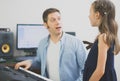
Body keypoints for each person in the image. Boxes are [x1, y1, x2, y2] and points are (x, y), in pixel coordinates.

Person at [15, 8, 87, 81]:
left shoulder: (76, 42)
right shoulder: (42, 43)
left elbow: (87, 70)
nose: (58, 22)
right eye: (53, 20)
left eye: (59, 19)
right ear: (46, 25)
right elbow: (40, 63)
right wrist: (30, 62)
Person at [83, 0, 120, 81]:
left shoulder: (103, 37)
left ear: (97, 15)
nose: (89, 16)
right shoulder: (104, 36)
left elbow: (100, 71)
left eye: (90, 12)